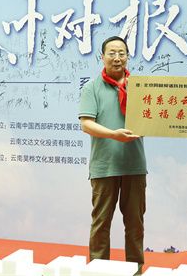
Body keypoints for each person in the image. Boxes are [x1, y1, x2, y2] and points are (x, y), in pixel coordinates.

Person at [79, 36, 147, 271]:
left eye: (122, 53)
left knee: (135, 225)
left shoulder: (140, 88)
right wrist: (113, 134)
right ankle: (98, 271)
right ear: (102, 57)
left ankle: (136, 271)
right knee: (101, 225)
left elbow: (154, 118)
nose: (117, 58)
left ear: (128, 56)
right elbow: (86, 124)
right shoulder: (92, 87)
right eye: (112, 53)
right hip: (104, 166)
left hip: (134, 165)